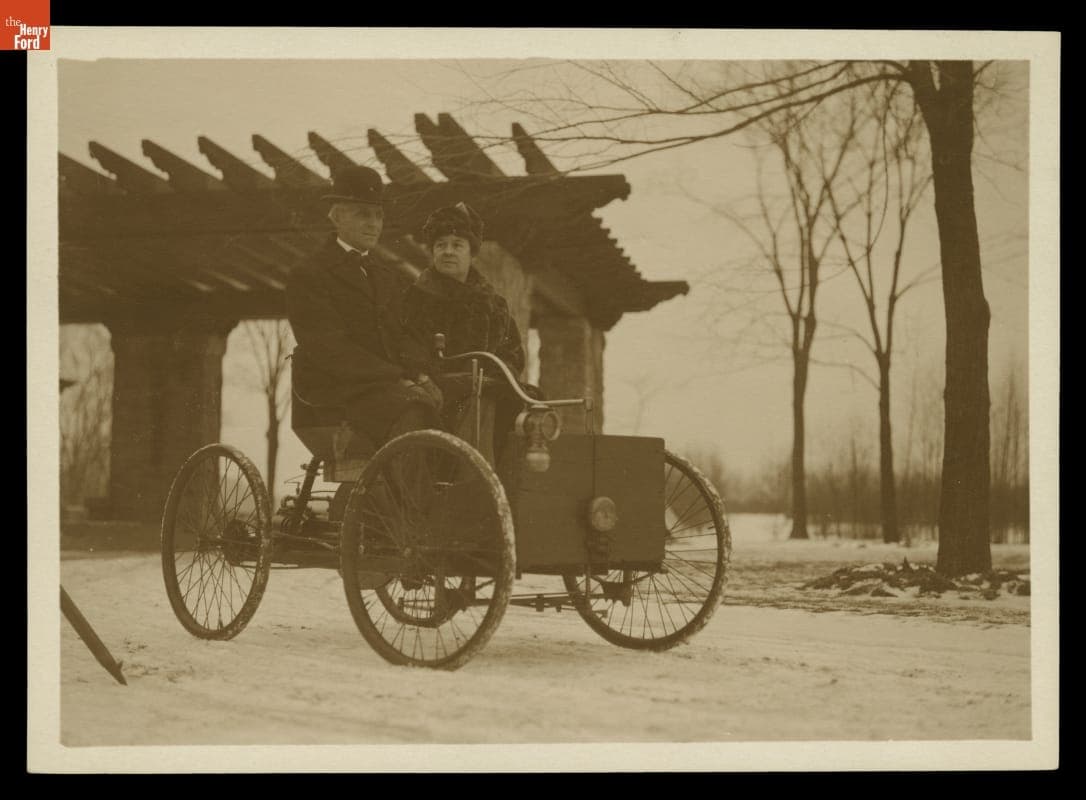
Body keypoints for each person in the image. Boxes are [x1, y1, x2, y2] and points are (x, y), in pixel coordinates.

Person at [286, 165, 442, 449]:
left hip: (383, 386)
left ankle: (454, 488)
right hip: (335, 390)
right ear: (337, 216)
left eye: (378, 215)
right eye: (363, 214)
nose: (374, 224)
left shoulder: (385, 275)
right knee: (413, 408)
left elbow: (407, 332)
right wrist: (398, 378)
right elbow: (328, 348)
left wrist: (419, 373)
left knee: (465, 396)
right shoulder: (309, 274)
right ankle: (404, 493)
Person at [402, 202, 536, 462]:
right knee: (480, 399)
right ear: (432, 252)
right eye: (441, 245)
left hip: (485, 384)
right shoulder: (416, 298)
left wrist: (496, 375)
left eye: (457, 245)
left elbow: (512, 354)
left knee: (532, 402)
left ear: (471, 253)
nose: (448, 252)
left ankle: (521, 483)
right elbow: (408, 347)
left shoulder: (492, 303)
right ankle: (475, 480)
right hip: (439, 390)